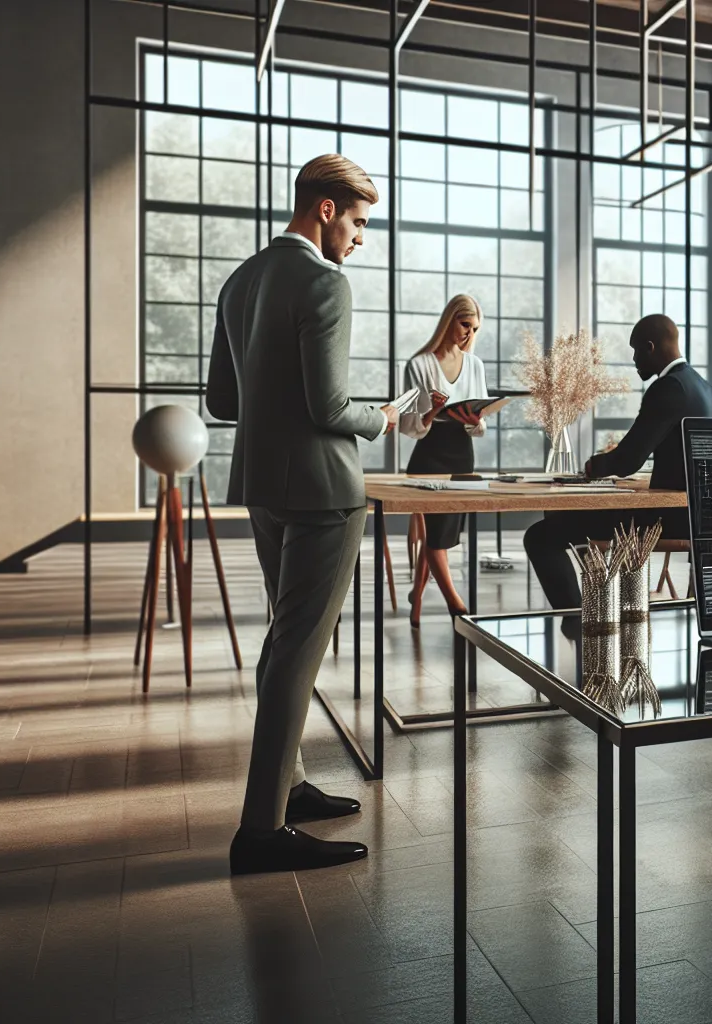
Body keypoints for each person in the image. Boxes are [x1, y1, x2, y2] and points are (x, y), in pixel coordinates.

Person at [207, 154, 398, 875]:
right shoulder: (324, 282)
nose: (358, 237)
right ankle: (260, 830)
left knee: (283, 642)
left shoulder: (241, 280)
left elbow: (223, 403)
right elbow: (328, 408)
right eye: (356, 221)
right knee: (297, 652)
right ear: (324, 209)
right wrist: (381, 418)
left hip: (264, 485)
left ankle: (286, 787)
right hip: (324, 492)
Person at [523, 313, 712, 614]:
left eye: (635, 351)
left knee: (541, 535)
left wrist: (594, 467)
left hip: (664, 519)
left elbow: (630, 460)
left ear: (650, 347)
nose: (634, 360)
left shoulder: (668, 388)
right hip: (701, 518)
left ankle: (576, 620)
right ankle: (594, 610)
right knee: (563, 523)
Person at [398, 294, 489, 627]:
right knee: (437, 537)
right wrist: (434, 410)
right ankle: (457, 605)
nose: (468, 333)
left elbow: (480, 428)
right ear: (450, 319)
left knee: (444, 536)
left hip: (463, 457)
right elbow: (409, 427)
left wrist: (475, 419)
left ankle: (416, 598)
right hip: (429, 457)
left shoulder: (475, 365)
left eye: (474, 328)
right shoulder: (419, 364)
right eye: (465, 324)